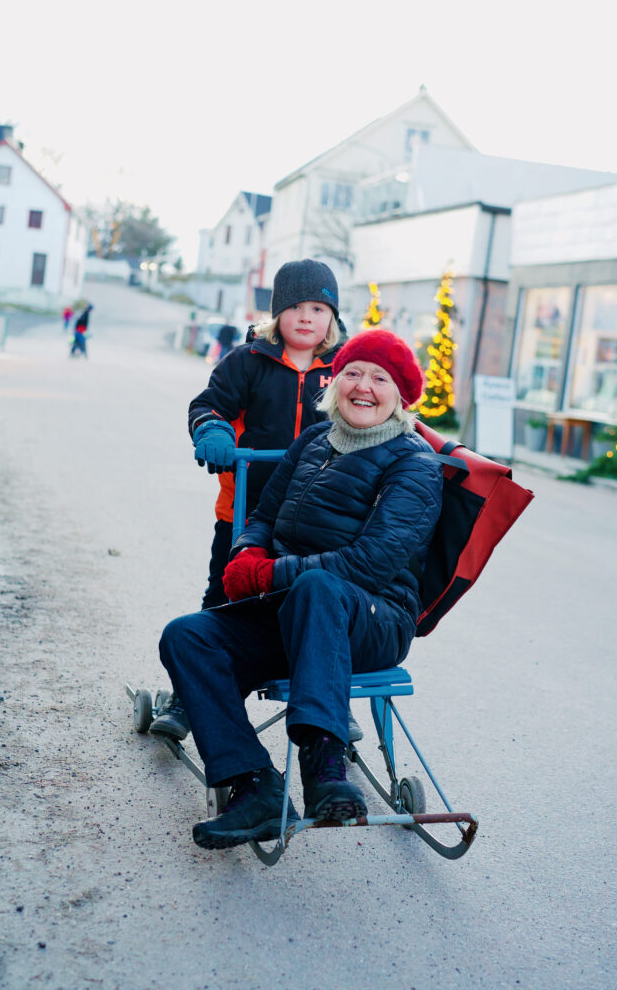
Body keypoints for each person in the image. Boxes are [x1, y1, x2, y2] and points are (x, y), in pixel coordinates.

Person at [156, 329, 444, 850]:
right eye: (354, 372)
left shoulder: (414, 464)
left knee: (318, 587)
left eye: (380, 378)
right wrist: (246, 554)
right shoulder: (314, 441)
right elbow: (263, 516)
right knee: (187, 636)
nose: (364, 386)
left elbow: (370, 564)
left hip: (373, 618)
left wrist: (271, 575)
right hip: (295, 609)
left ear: (399, 396)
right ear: (336, 382)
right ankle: (254, 786)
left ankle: (325, 764)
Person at [152, 259, 362, 738]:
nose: (305, 317)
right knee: (224, 599)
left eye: (317, 307)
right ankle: (190, 696)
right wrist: (213, 429)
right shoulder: (249, 362)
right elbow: (209, 403)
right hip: (246, 510)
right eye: (294, 307)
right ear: (276, 313)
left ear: (331, 316)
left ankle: (330, 695)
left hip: (319, 518)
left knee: (315, 605)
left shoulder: (346, 369)